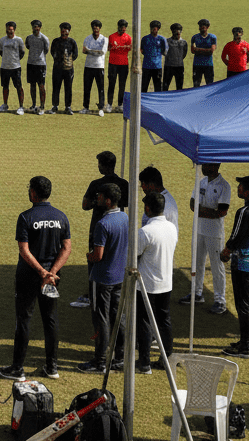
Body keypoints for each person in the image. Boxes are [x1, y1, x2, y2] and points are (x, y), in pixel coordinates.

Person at [0, 176, 71, 382]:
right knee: (50, 319)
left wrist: (41, 273)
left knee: (24, 320)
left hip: (29, 277)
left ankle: (18, 369)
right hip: (53, 278)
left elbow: (24, 250)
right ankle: (52, 366)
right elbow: (67, 248)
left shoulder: (26, 217)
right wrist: (51, 273)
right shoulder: (61, 216)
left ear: (33, 193)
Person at [78, 183, 128, 373]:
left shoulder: (102, 224)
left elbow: (98, 255)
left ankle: (99, 361)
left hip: (102, 277)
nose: (96, 199)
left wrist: (89, 256)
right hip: (119, 276)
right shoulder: (124, 217)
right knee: (117, 316)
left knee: (101, 319)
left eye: (99, 197)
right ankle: (120, 357)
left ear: (107, 201)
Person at [71, 151, 129, 310]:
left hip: (99, 227)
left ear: (103, 165)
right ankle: (113, 295)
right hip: (119, 226)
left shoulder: (96, 184)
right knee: (115, 257)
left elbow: (84, 205)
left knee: (95, 259)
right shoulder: (124, 184)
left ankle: (93, 296)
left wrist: (96, 202)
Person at [181, 161, 231, 314]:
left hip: (214, 233)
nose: (203, 167)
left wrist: (200, 211)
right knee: (197, 261)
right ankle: (197, 293)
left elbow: (221, 212)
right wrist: (208, 211)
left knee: (217, 266)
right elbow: (192, 204)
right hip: (199, 229)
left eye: (207, 164)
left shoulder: (224, 186)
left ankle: (220, 300)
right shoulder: (201, 181)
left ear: (216, 166)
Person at [135, 191, 177, 373]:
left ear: (147, 209)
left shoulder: (145, 231)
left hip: (147, 285)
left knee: (144, 322)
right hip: (166, 283)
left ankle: (144, 363)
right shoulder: (171, 228)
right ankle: (167, 358)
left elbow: (134, 255)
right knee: (164, 320)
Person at [222, 176, 249, 359]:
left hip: (244, 265)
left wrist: (226, 251)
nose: (238, 187)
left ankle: (245, 346)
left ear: (247, 191)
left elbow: (235, 237)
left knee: (244, 306)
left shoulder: (244, 211)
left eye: (241, 186)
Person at [46, 22, 78, 114]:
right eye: (63, 32)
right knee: (56, 87)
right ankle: (55, 106)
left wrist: (69, 60)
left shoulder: (72, 42)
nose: (64, 34)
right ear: (60, 31)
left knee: (68, 88)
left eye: (66, 32)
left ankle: (68, 107)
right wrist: (58, 59)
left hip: (69, 70)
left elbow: (75, 54)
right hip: (57, 68)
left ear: (69, 32)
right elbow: (52, 52)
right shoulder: (56, 41)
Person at [0, 21, 26, 115]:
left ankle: (21, 106)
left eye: (11, 30)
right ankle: (5, 104)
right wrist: (7, 59)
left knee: (18, 87)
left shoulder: (19, 40)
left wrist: (15, 60)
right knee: (5, 87)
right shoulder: (2, 40)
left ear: (14, 30)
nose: (9, 32)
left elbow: (22, 52)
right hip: (4, 67)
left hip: (15, 67)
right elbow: (0, 51)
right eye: (8, 30)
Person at [140, 165, 179, 232]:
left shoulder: (159, 204)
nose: (142, 188)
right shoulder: (166, 198)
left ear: (151, 184)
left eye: (143, 184)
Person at [80, 19, 107, 115]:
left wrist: (90, 51)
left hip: (99, 67)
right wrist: (96, 51)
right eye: (94, 28)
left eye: (97, 28)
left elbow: (102, 52)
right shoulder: (87, 38)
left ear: (99, 29)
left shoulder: (104, 39)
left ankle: (101, 107)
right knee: (87, 87)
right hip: (88, 66)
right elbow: (84, 50)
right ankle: (85, 107)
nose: (95, 30)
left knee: (101, 88)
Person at [105, 19, 132, 113]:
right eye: (122, 28)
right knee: (111, 84)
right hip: (113, 63)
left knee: (122, 85)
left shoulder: (128, 37)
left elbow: (130, 48)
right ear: (119, 27)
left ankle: (120, 105)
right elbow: (108, 48)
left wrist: (124, 47)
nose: (123, 30)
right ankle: (109, 104)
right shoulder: (112, 37)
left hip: (124, 64)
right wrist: (114, 48)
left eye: (125, 29)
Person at [24, 20, 49, 115]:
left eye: (37, 27)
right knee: (32, 85)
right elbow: (27, 46)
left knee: (41, 85)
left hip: (40, 64)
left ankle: (42, 106)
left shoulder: (44, 38)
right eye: (34, 26)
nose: (36, 28)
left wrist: (39, 57)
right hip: (30, 63)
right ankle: (33, 104)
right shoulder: (29, 38)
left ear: (40, 27)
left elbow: (46, 50)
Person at [140, 20, 168, 93]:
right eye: (152, 28)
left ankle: (158, 103)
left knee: (158, 86)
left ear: (158, 29)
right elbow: (142, 50)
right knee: (144, 86)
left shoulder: (162, 39)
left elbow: (165, 51)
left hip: (157, 66)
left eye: (155, 28)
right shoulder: (145, 39)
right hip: (146, 66)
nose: (154, 30)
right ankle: (142, 102)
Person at [191, 18, 218, 87]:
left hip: (208, 65)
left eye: (204, 26)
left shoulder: (212, 37)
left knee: (209, 85)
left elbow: (211, 51)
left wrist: (198, 50)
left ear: (207, 27)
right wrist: (206, 50)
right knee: (196, 85)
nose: (202, 27)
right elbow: (192, 50)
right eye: (200, 26)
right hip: (197, 65)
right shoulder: (195, 37)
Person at [163, 23, 188, 91]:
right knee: (165, 86)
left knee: (179, 86)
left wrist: (178, 59)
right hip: (168, 66)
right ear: (172, 31)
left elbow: (184, 54)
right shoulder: (167, 42)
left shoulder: (184, 43)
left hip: (179, 67)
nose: (177, 33)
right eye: (176, 31)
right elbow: (164, 52)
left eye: (179, 31)